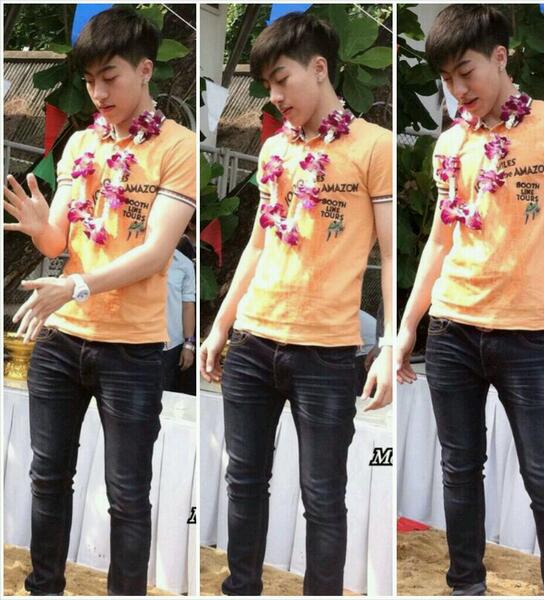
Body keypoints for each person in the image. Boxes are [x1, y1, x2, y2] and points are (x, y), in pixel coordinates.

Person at [396, 5, 544, 596]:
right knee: (460, 471)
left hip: (529, 336)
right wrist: (407, 328)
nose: (458, 90)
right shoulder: (451, 143)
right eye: (447, 79)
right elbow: (439, 241)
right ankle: (466, 586)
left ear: (501, 57)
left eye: (467, 72)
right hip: (452, 330)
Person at [3, 7, 195, 595]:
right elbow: (59, 241)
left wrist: (77, 285)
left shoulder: (178, 147)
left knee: (127, 492)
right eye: (89, 81)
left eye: (109, 77)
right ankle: (44, 586)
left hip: (133, 349)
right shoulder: (81, 144)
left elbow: (157, 253)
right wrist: (39, 226)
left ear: (144, 70)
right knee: (47, 476)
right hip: (63, 339)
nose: (98, 92)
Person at [199, 12, 393, 596]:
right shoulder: (273, 151)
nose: (276, 96)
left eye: (282, 80)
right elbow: (259, 243)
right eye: (268, 85)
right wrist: (220, 326)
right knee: (243, 482)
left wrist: (389, 345)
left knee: (323, 495)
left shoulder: (374, 147)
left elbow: (390, 254)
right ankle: (242, 587)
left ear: (319, 68)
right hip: (253, 343)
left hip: (327, 352)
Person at [163, 248, 196, 392]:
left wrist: (189, 344)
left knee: (163, 394)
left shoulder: (184, 264)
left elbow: (188, 305)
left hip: (169, 345)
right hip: (134, 341)